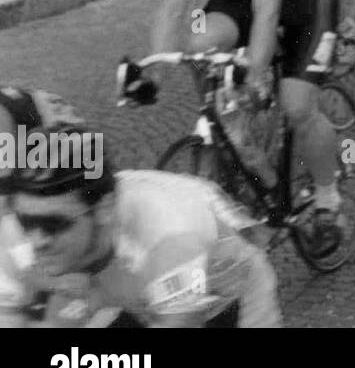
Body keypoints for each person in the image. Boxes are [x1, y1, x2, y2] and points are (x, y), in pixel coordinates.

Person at [132, 0, 343, 257]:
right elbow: (173, 6)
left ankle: (327, 197)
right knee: (198, 44)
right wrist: (152, 72)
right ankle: (234, 131)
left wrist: (255, 73)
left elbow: (267, 14)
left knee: (298, 107)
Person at [0, 127, 281, 327]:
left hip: (229, 293)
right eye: (26, 222)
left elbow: (182, 322)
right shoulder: (15, 234)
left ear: (104, 209)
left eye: (53, 224)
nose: (37, 241)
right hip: (115, 284)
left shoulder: (170, 235)